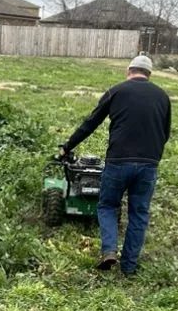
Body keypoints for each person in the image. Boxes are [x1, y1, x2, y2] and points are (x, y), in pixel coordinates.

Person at [59, 54, 171, 277]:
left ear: (129, 70)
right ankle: (129, 267)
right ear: (149, 74)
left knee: (108, 206)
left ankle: (109, 250)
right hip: (149, 165)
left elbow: (91, 123)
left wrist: (67, 146)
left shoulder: (116, 91)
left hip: (118, 162)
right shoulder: (162, 97)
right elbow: (165, 133)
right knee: (138, 214)